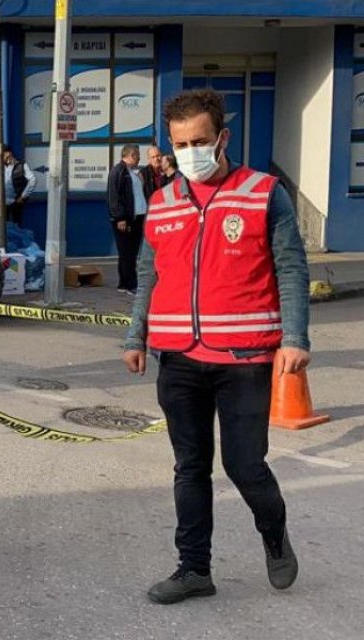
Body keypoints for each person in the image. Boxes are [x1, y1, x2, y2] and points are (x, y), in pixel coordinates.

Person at [122, 89, 308, 605]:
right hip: (178, 358)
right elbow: (148, 273)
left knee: (245, 465)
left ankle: (273, 536)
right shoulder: (162, 202)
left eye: (200, 140)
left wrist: (294, 338)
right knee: (190, 466)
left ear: (221, 138)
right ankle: (194, 569)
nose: (190, 151)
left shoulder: (264, 193)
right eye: (180, 143)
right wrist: (136, 334)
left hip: (245, 359)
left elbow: (292, 267)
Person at [106, 144, 147, 295]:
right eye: (137, 155)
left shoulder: (132, 172)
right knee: (127, 252)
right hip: (126, 219)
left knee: (130, 252)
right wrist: (120, 218)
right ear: (131, 155)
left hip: (136, 217)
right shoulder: (118, 171)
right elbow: (114, 196)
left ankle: (124, 283)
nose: (139, 158)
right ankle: (130, 284)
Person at [1, 146, 37, 226]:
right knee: (3, 226)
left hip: (16, 201)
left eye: (9, 156)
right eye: (5, 157)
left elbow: (32, 179)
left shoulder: (21, 165)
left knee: (16, 225)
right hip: (2, 202)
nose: (8, 159)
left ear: (11, 154)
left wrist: (23, 196)